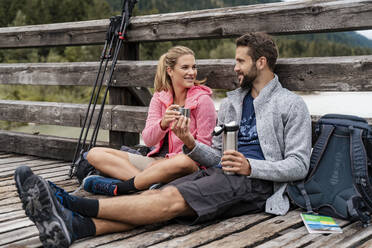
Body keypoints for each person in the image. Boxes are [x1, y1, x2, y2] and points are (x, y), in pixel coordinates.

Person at [15, 32, 312, 248]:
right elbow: (217, 156)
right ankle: (76, 228)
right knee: (154, 201)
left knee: (168, 200)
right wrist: (191, 144)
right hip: (219, 173)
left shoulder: (291, 105)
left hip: (256, 185)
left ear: (260, 62)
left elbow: (299, 165)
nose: (235, 67)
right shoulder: (235, 102)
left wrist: (251, 167)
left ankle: (67, 202)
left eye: (240, 61)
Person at [83, 45, 217, 195]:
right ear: (170, 71)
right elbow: (148, 140)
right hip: (156, 163)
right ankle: (150, 186)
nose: (192, 72)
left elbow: (207, 151)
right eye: (185, 67)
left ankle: (129, 184)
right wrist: (163, 123)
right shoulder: (160, 98)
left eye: (194, 67)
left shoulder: (203, 101)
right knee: (94, 154)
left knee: (182, 161)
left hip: (185, 165)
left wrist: (186, 141)